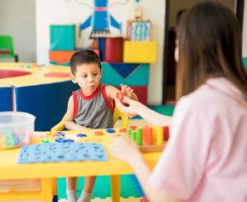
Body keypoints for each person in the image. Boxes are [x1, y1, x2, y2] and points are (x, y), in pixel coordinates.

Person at [111, 1, 247, 202]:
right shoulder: (237, 95)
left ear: (189, 48)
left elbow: (166, 198)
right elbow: (180, 124)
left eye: (176, 44)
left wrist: (132, 155)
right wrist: (139, 108)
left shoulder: (198, 105)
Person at [64, 50, 138, 202]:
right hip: (80, 138)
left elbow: (126, 101)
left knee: (92, 162)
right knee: (69, 159)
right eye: (84, 76)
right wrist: (83, 130)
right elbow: (67, 122)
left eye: (95, 74)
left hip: (102, 141)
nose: (91, 80)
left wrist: (129, 96)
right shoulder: (74, 98)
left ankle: (86, 195)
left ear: (101, 72)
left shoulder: (107, 90)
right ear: (73, 78)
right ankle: (71, 195)